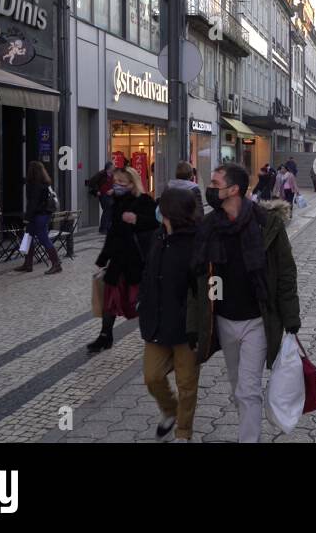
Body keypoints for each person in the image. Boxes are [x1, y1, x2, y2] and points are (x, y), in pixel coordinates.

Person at [190, 164, 301, 443]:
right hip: (224, 320)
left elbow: (286, 272)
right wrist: (195, 321)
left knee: (248, 389)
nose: (211, 188)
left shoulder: (266, 224)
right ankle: (248, 428)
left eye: (215, 183)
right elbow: (198, 278)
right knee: (238, 386)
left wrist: (291, 317)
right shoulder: (209, 226)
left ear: (234, 189)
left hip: (257, 320)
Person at [137, 188, 201, 442]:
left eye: (160, 204)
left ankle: (183, 433)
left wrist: (197, 320)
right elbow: (147, 272)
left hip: (186, 328)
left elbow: (203, 286)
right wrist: (143, 300)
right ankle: (169, 410)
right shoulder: (158, 236)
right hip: (157, 323)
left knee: (186, 386)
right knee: (152, 376)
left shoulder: (196, 241)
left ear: (169, 211)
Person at [88, 167, 159, 353]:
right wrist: (102, 259)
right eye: (116, 182)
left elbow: (156, 222)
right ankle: (105, 335)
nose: (117, 185)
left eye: (122, 182)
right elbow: (113, 235)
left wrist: (137, 219)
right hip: (119, 261)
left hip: (137, 262)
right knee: (110, 301)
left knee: (140, 302)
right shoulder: (116, 203)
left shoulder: (144, 201)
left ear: (132, 183)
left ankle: (152, 336)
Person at [16, 161, 63, 275]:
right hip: (43, 214)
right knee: (28, 237)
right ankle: (28, 263)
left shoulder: (35, 185)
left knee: (43, 238)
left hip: (39, 215)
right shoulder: (45, 183)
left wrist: (27, 217)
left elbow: (33, 203)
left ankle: (56, 264)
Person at [88, 162, 115, 234]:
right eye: (112, 167)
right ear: (108, 169)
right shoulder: (101, 174)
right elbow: (91, 182)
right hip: (103, 195)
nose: (114, 168)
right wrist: (97, 191)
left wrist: (112, 190)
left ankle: (107, 227)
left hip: (111, 195)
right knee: (107, 209)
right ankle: (103, 229)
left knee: (110, 210)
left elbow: (116, 184)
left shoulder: (113, 175)